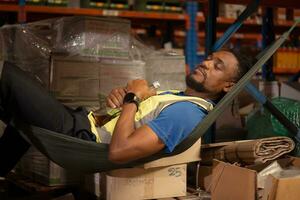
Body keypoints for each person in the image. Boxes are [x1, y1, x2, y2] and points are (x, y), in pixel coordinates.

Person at [0, 49, 251, 176]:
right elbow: (129, 120)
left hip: (80, 137)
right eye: (209, 58)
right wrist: (119, 105)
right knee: (16, 114)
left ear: (228, 85)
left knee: (5, 75)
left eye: (217, 67)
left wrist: (133, 98)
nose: (206, 63)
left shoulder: (186, 114)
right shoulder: (178, 97)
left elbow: (120, 152)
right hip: (80, 122)